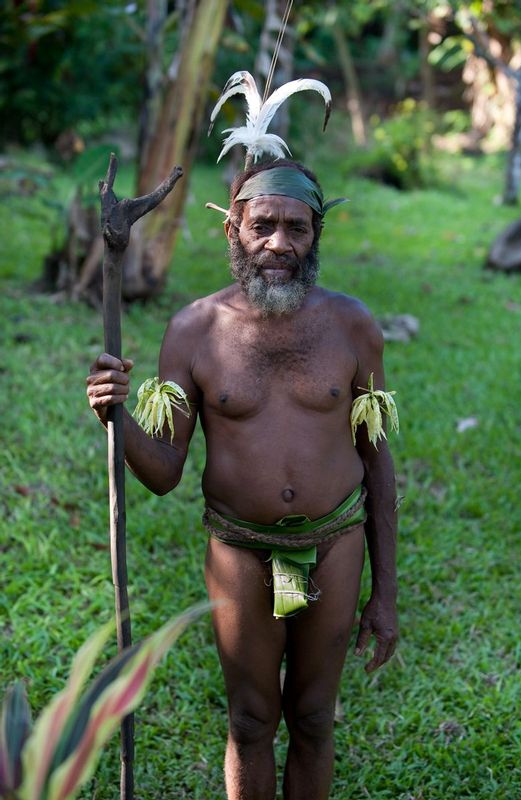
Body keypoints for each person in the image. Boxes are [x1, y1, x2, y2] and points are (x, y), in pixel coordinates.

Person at [86, 158, 398, 800]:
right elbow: (166, 472)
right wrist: (115, 415)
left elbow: (377, 462)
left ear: (316, 235)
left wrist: (385, 594)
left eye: (297, 228)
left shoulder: (353, 326)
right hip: (239, 550)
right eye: (263, 226)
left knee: (313, 718)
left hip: (334, 543)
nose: (279, 244)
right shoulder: (194, 330)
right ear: (233, 228)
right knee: (252, 720)